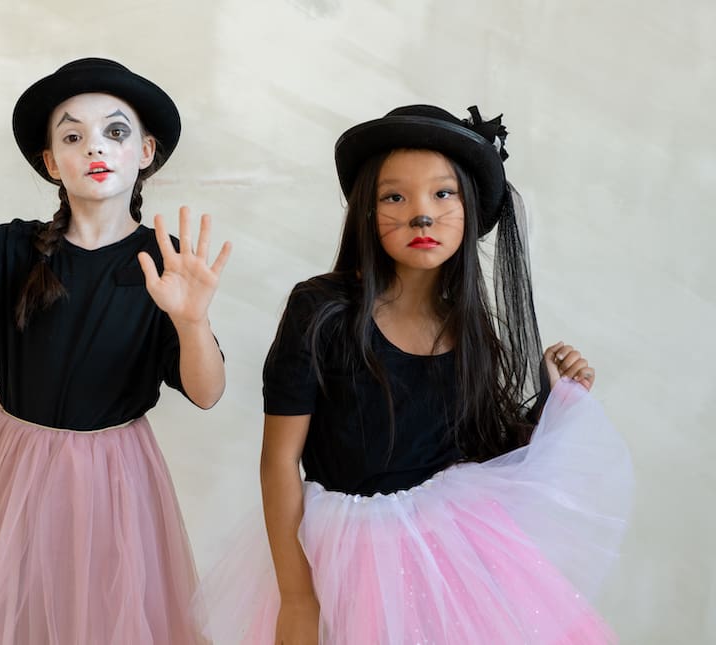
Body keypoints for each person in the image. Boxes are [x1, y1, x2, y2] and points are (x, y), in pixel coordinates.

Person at [196, 105, 632, 644]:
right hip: (345, 555)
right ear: (366, 212)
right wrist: (298, 596)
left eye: (442, 194)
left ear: (470, 208)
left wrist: (551, 398)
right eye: (394, 197)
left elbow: (482, 456)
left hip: (451, 556)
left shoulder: (470, 332)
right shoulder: (323, 310)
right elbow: (279, 459)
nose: (421, 215)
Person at [0, 29, 230, 645]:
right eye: (73, 135)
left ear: (145, 151)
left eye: (115, 132)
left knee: (103, 616)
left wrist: (193, 322)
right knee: (14, 615)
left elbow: (206, 392)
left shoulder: (163, 266)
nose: (95, 146)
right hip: (14, 468)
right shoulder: (16, 251)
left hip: (116, 477)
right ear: (51, 163)